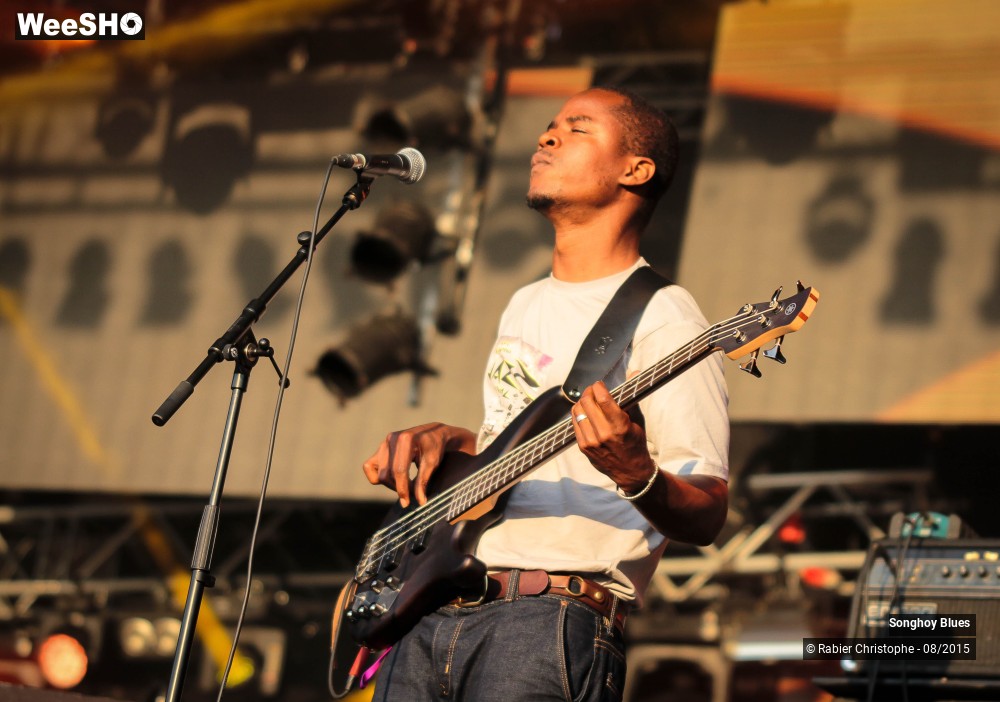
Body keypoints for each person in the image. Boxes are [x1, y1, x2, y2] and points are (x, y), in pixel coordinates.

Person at [362, 86, 730, 702]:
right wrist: (452, 441)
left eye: (577, 129)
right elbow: (511, 449)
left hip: (545, 622)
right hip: (439, 608)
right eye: (551, 125)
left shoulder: (666, 316)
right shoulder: (524, 301)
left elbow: (709, 509)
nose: (546, 137)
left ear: (636, 170)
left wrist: (635, 473)